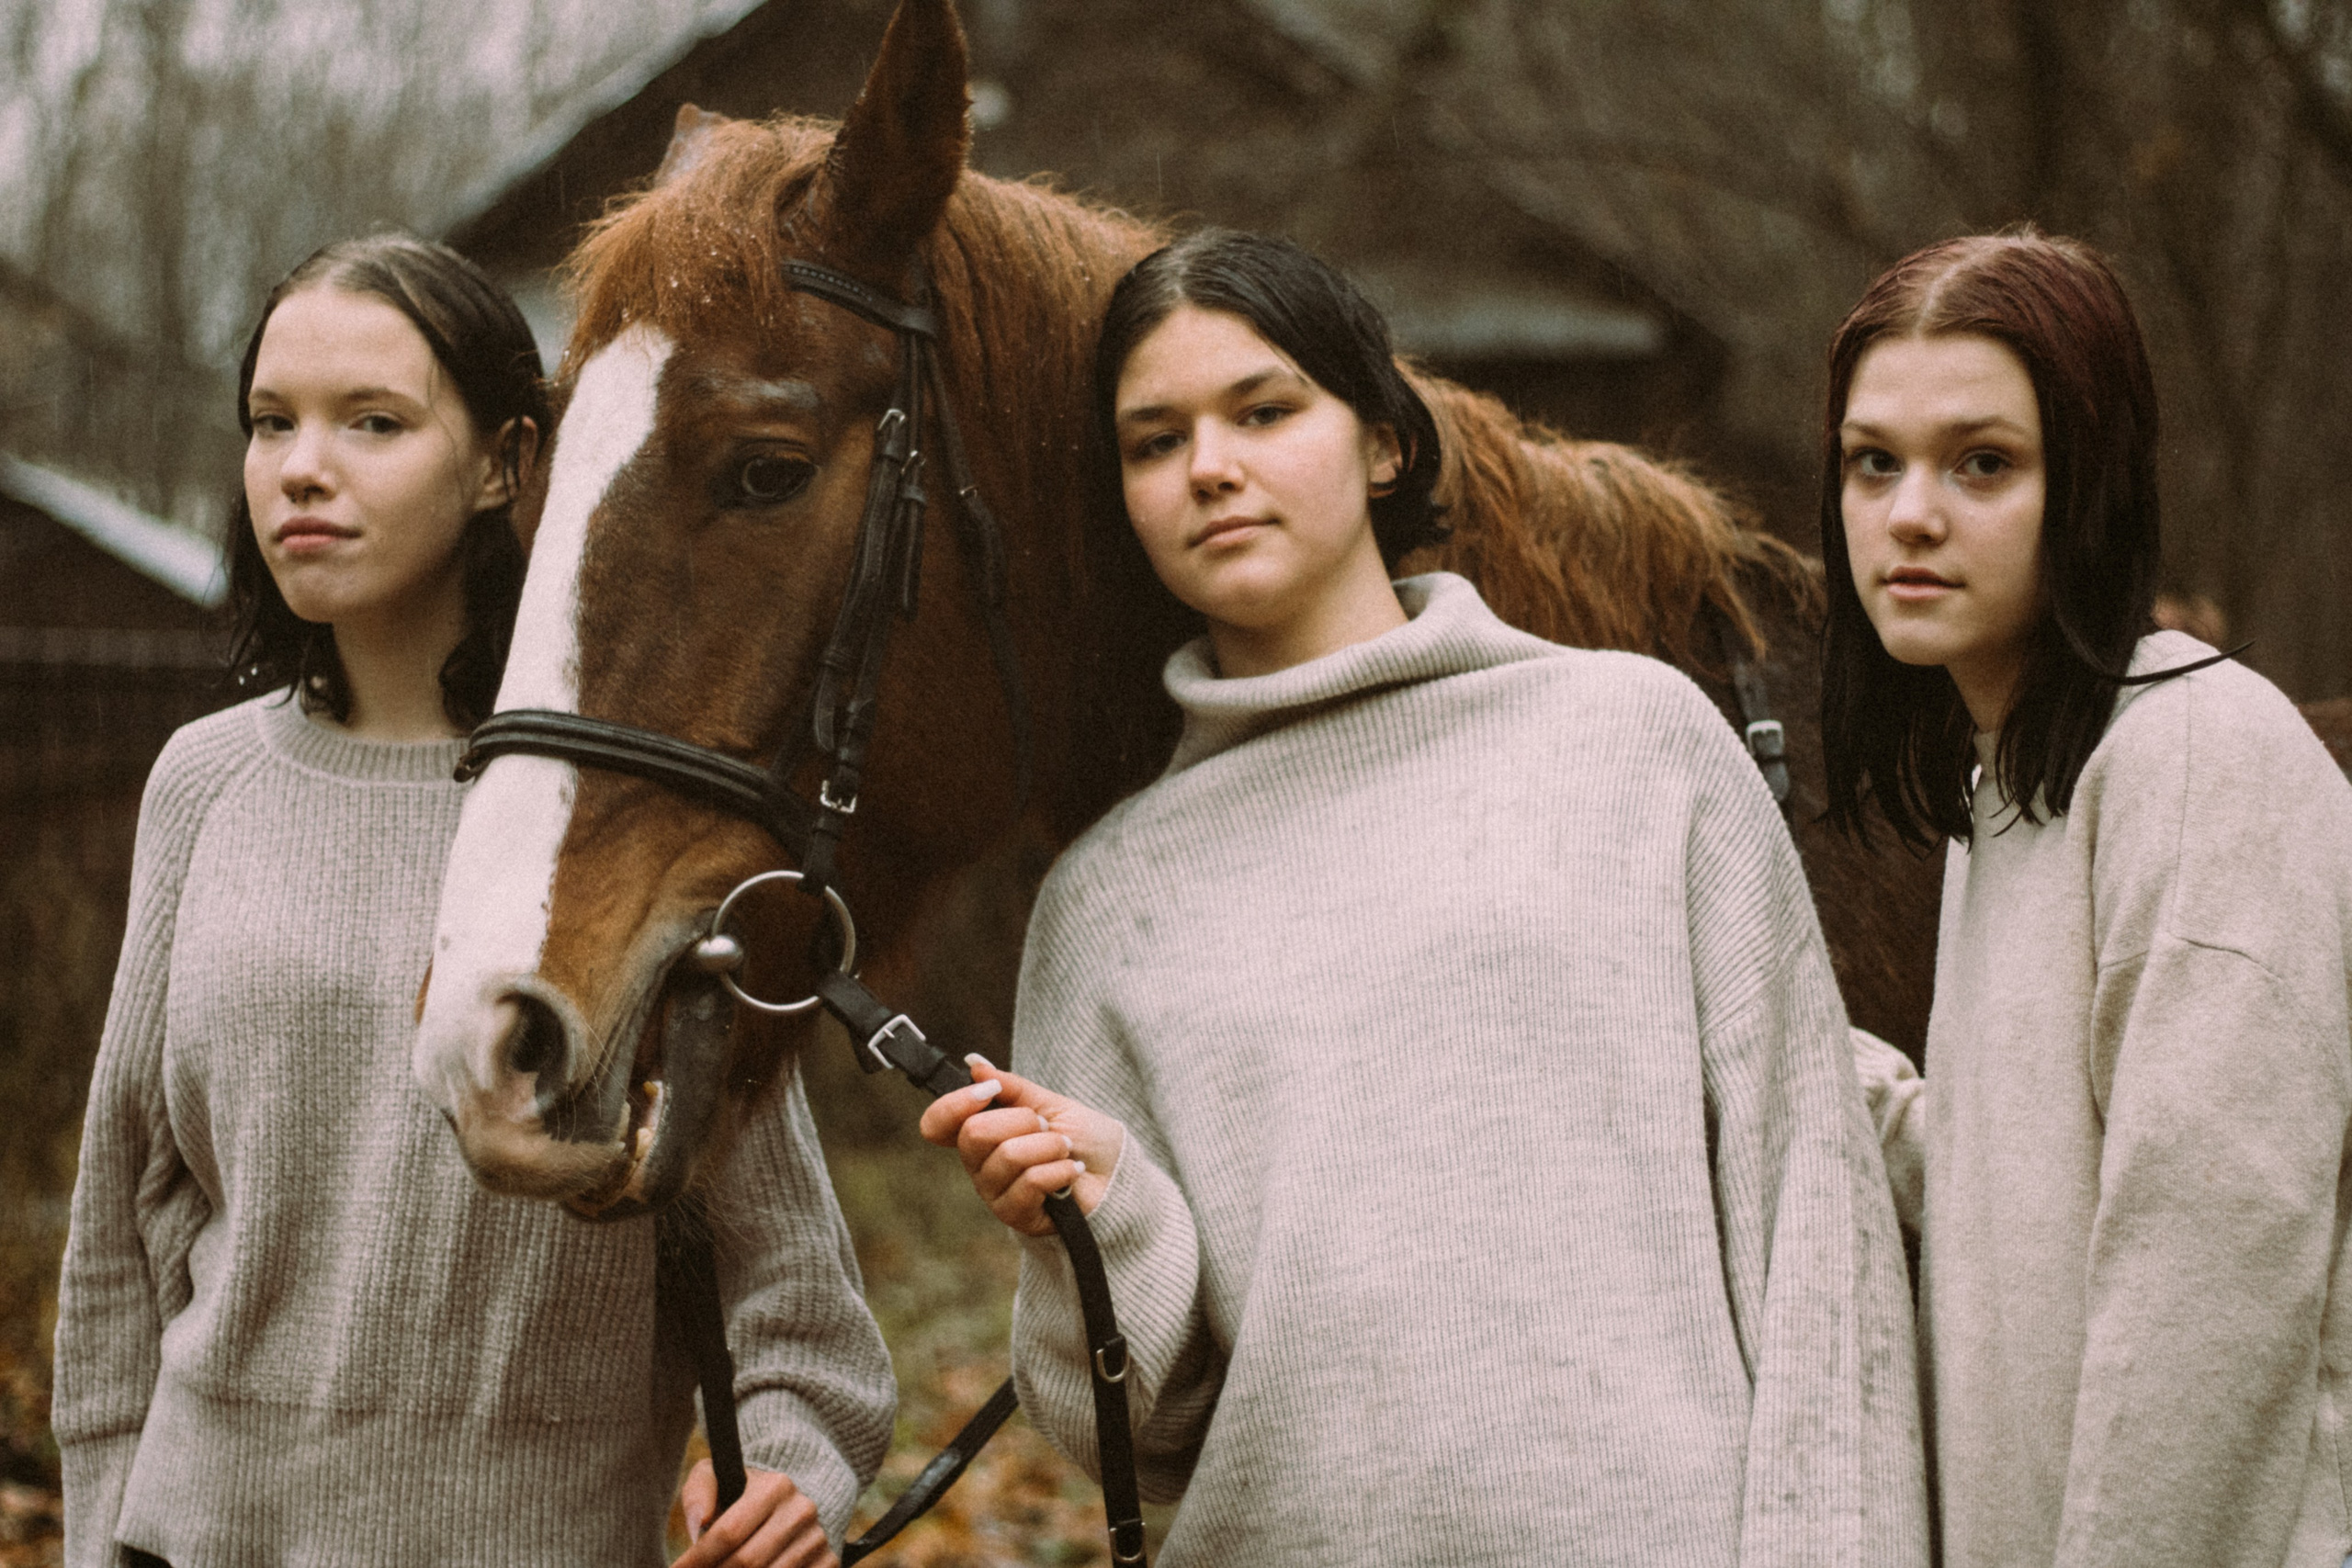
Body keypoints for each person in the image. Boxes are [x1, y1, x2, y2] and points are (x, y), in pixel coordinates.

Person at [921, 230, 1928, 1565]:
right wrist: (1102, 1223)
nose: (1210, 466)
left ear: (1386, 443)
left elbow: (1818, 1244)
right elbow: (1140, 1439)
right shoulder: (1106, 903)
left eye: (1265, 411)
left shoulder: (1636, 746)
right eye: (1154, 443)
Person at [51, 234, 893, 1568]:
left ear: (506, 462)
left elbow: (796, 1309)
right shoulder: (203, 785)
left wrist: (792, 1472)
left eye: (372, 422)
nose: (301, 468)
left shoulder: (616, 820)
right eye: (271, 423)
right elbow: (122, 1240)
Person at [1822, 230, 2352, 1566]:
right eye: (1873, 461)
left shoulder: (2197, 754)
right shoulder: (2014, 787)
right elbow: (2031, 1188)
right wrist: (1794, 1059)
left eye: (1982, 462)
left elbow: (2211, 1283)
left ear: (2094, 483)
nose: (1911, 514)